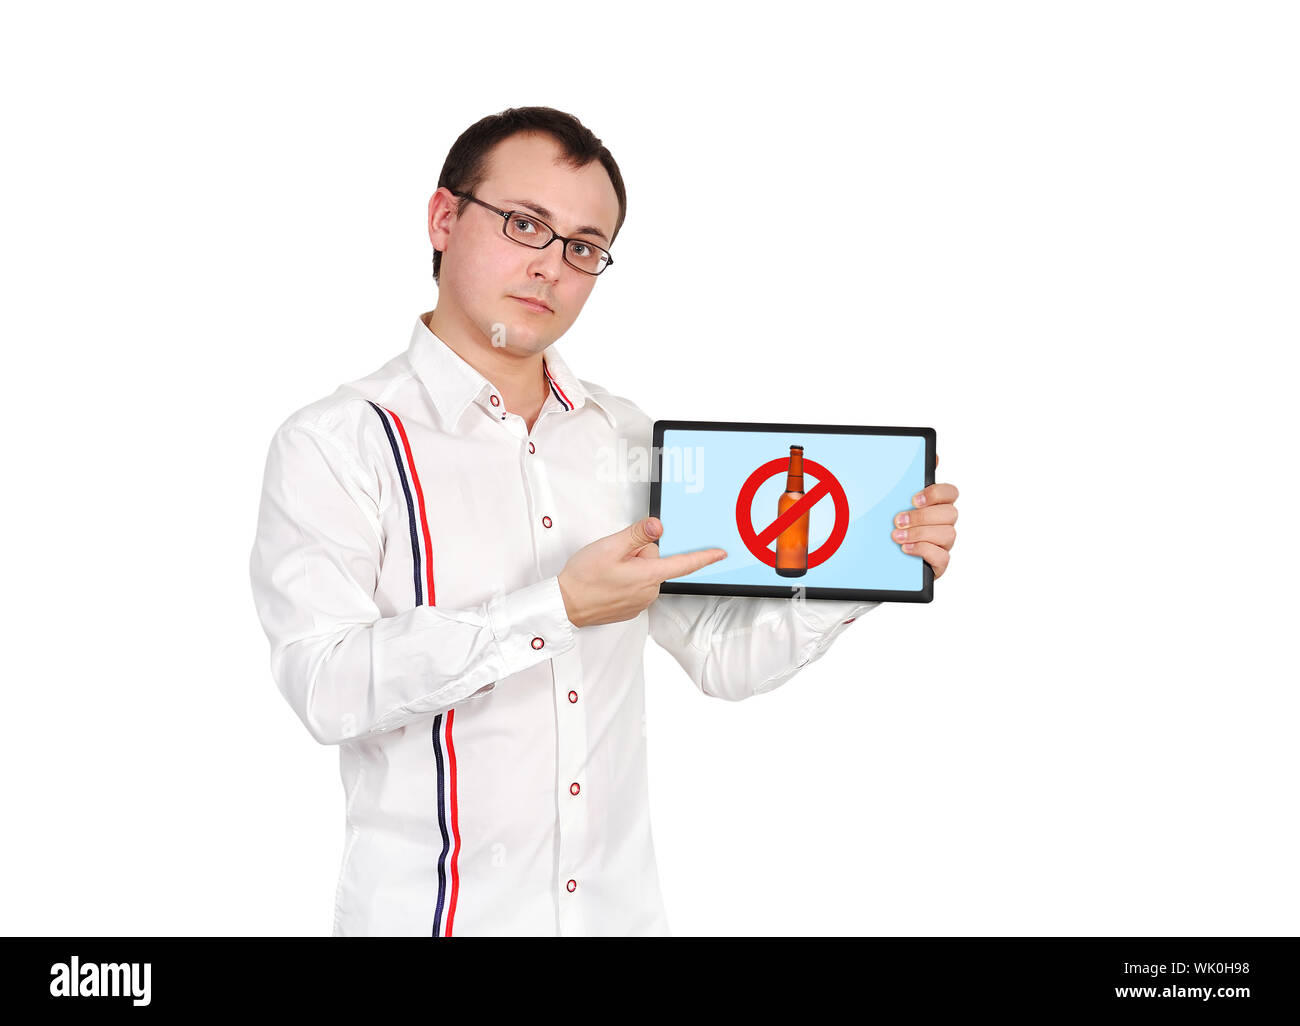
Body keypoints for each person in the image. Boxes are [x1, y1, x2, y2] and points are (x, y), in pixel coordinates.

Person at [248, 106, 960, 937]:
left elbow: (721, 656)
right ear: (444, 219)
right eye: (524, 225)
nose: (550, 267)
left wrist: (872, 561)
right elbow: (326, 689)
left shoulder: (623, 437)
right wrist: (558, 607)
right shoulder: (339, 443)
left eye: (583, 247)